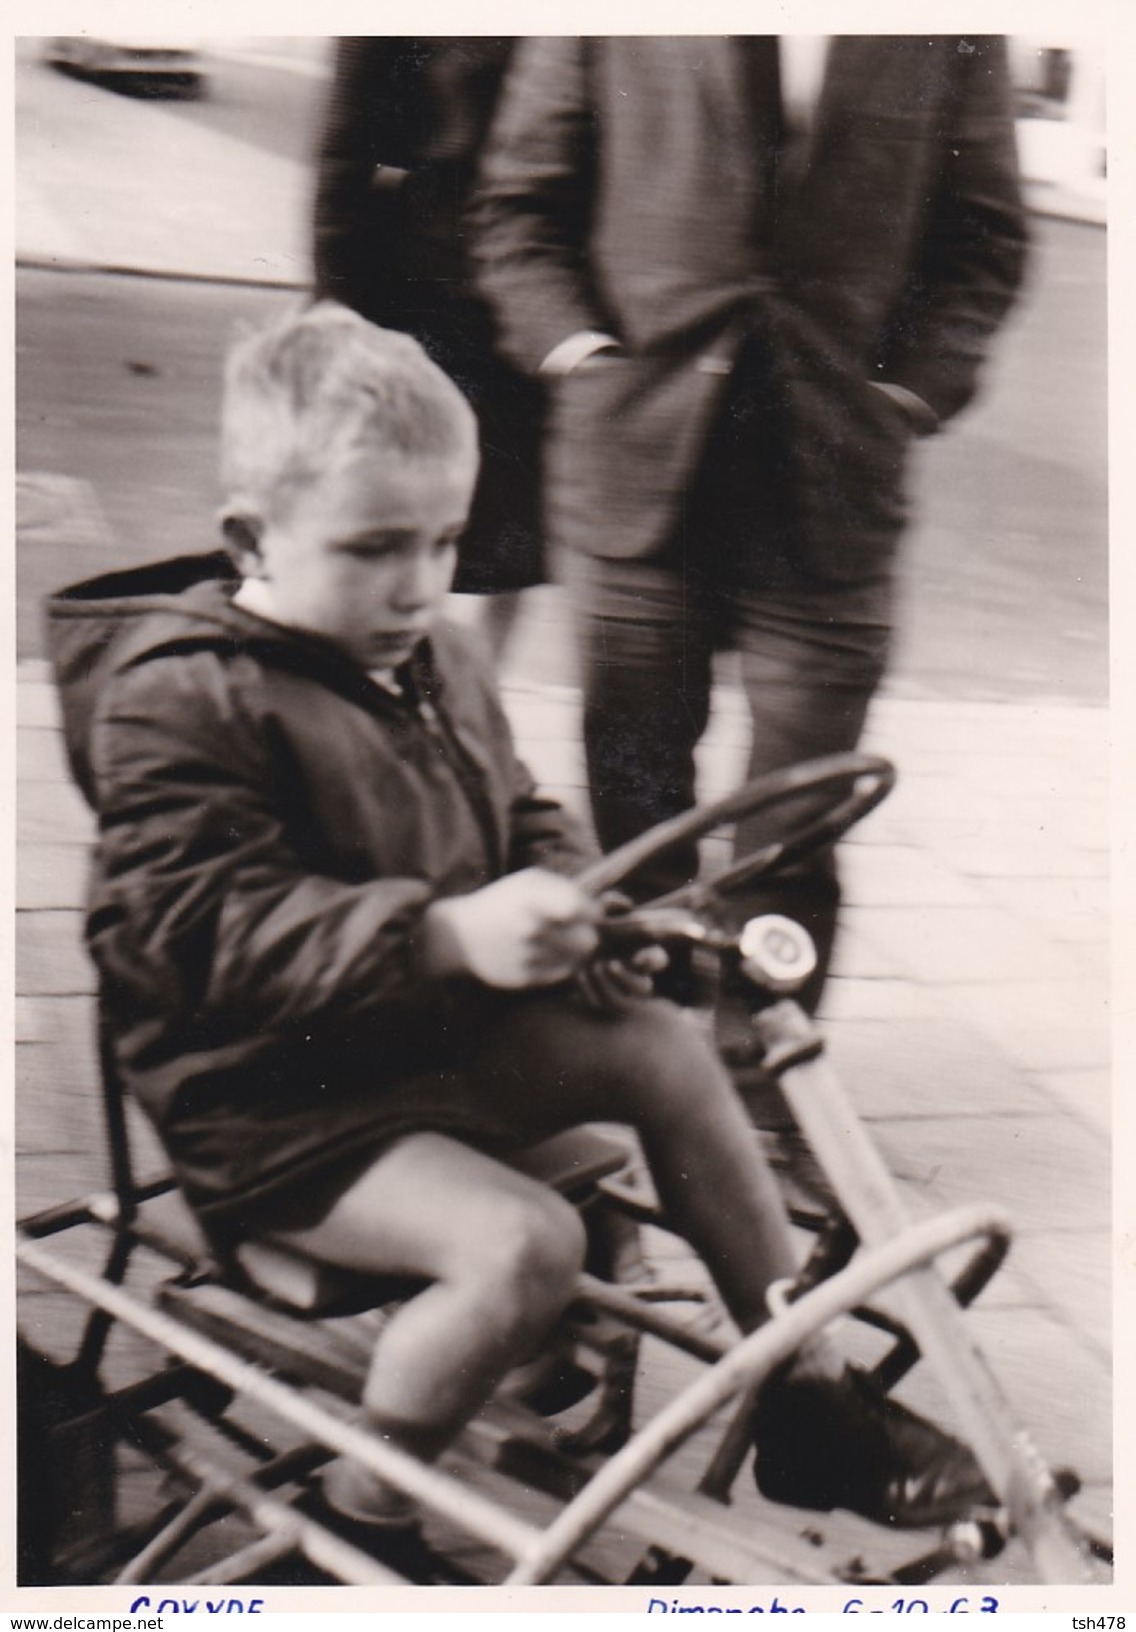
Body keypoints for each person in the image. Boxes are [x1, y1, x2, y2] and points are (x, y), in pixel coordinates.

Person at [46, 303, 992, 1538]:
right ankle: (356, 1519)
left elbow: (519, 811)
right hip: (269, 1105)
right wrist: (442, 935)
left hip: (420, 1044)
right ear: (252, 539)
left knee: (665, 1041)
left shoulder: (429, 655)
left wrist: (584, 907)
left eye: (442, 542)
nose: (419, 586)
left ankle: (803, 1398)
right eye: (374, 548)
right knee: (525, 1243)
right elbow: (189, 937)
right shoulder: (182, 702)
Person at [472, 36, 1028, 1038]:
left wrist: (906, 394)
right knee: (636, 815)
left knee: (796, 831)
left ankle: (764, 1093)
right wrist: (582, 358)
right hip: (639, 463)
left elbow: (984, 237)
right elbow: (518, 201)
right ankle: (650, 1065)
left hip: (831, 480)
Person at [312, 36, 541, 662]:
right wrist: (336, 317)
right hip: (429, 302)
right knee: (403, 523)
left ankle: (473, 708)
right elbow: (345, 156)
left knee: (510, 548)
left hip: (542, 307)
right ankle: (386, 704)